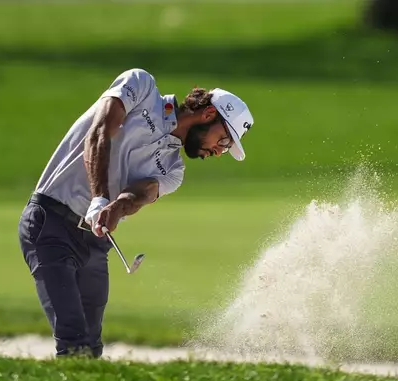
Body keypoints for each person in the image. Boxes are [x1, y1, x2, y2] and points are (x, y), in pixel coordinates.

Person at [17, 68, 254, 358]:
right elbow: (100, 130)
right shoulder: (141, 86)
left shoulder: (174, 169)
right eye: (224, 141)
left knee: (91, 348)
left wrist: (116, 206)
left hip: (94, 241)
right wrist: (101, 197)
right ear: (208, 115)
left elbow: (141, 193)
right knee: (73, 338)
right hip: (50, 223)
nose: (219, 152)